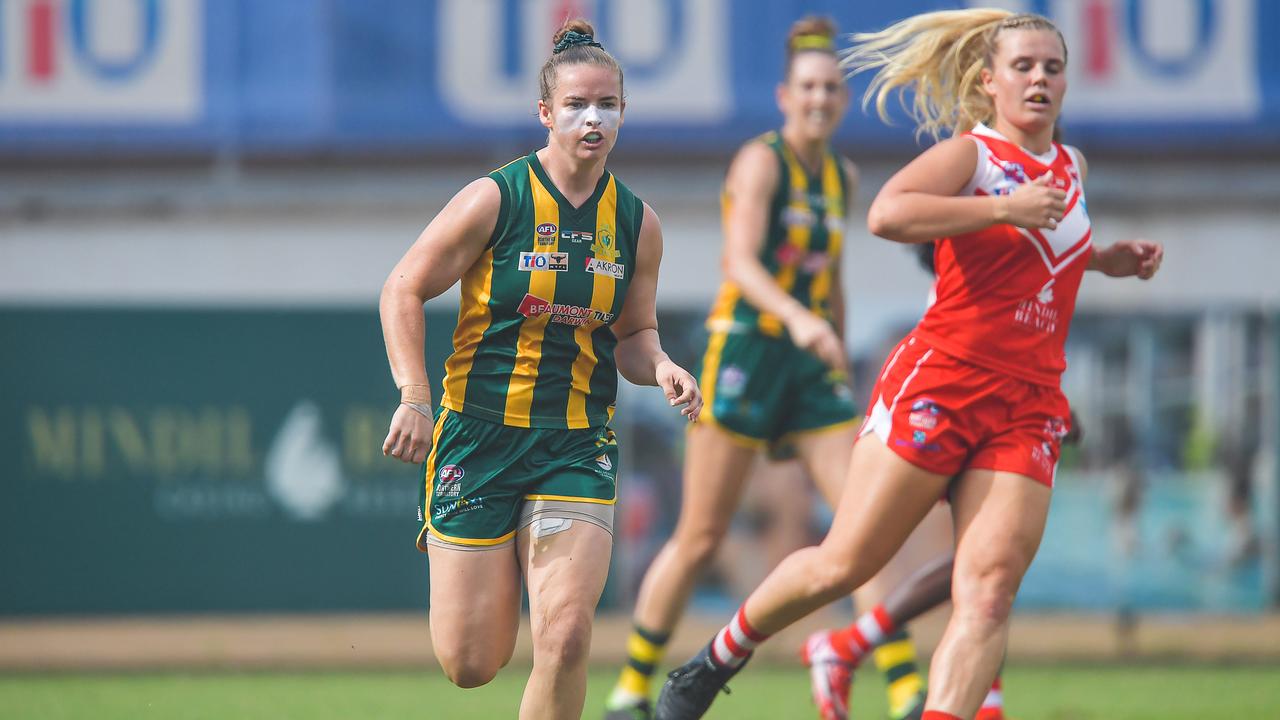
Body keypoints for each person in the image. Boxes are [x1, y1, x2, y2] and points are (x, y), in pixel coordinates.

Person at [656, 9, 1163, 720]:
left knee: (985, 592)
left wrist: (1107, 259)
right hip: (944, 378)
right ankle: (714, 660)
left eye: (1052, 66)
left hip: (1029, 401)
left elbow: (1051, 256)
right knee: (846, 563)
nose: (1040, 79)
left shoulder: (1071, 166)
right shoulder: (975, 156)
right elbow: (887, 214)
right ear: (989, 81)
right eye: (1023, 66)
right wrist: (1003, 209)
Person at [379, 19, 701, 720]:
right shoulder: (495, 199)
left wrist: (664, 366)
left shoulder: (638, 224)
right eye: (579, 104)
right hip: (478, 438)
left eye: (608, 104)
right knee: (471, 663)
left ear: (624, 112)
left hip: (576, 442)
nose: (595, 118)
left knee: (567, 633)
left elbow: (634, 334)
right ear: (546, 113)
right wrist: (413, 395)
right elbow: (402, 287)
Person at [603, 17, 866, 720]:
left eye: (833, 87)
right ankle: (632, 689)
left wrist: (831, 334)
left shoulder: (842, 175)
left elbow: (831, 278)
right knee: (701, 535)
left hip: (809, 367)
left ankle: (902, 687)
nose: (821, 98)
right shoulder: (762, 162)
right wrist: (803, 319)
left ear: (843, 98)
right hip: (746, 350)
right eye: (808, 86)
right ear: (785, 94)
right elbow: (740, 265)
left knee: (861, 527)